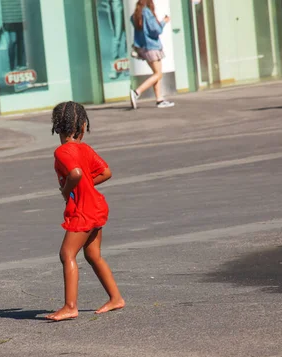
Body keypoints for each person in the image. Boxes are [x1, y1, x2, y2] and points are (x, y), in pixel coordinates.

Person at [48, 101, 125, 321]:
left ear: (57, 127)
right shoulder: (85, 149)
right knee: (93, 255)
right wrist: (85, 185)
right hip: (97, 206)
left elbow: (76, 173)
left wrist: (66, 190)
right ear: (83, 126)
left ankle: (70, 306)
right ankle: (116, 298)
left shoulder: (62, 151)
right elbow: (106, 172)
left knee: (67, 254)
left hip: (83, 210)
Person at [129, 0, 174, 109]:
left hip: (143, 48)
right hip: (152, 47)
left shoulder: (136, 15)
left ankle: (159, 99)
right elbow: (156, 30)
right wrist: (164, 21)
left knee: (156, 73)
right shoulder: (147, 13)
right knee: (158, 74)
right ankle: (136, 92)